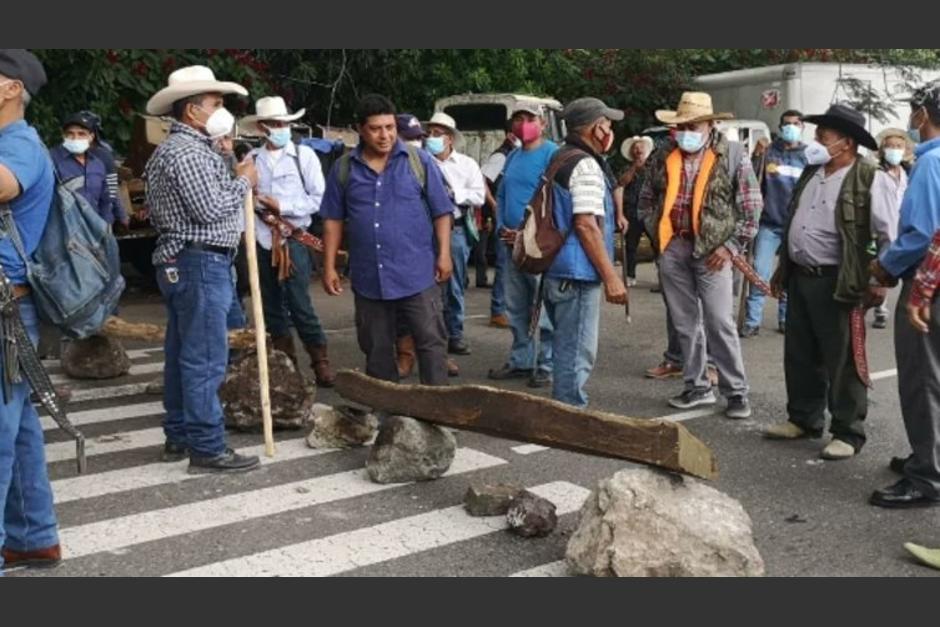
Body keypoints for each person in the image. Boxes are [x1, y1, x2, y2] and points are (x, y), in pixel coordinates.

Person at [144, 65, 260, 474]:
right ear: (193, 112)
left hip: (189, 260)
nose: (222, 110)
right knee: (205, 358)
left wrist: (229, 162)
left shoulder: (190, 149)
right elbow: (209, 208)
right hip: (199, 260)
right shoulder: (188, 152)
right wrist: (244, 180)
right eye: (216, 104)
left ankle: (179, 434)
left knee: (182, 354)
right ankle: (207, 446)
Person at [765, 103, 890, 461]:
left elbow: (887, 232)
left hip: (839, 279)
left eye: (824, 134)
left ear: (846, 142)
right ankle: (803, 418)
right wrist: (782, 269)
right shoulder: (813, 171)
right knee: (800, 352)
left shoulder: (869, 176)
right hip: (802, 276)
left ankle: (848, 432)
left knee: (844, 358)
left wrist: (880, 278)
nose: (815, 139)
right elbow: (795, 221)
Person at [639, 92, 759, 418]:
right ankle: (697, 386)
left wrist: (729, 248)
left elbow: (751, 210)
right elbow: (646, 200)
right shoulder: (663, 155)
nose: (686, 132)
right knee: (685, 324)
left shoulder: (733, 155)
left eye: (693, 125)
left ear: (711, 124)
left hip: (713, 253)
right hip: (673, 249)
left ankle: (736, 392)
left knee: (719, 322)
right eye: (682, 126)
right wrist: (659, 237)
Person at [320, 94, 454, 385]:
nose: (385, 135)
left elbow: (442, 211)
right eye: (376, 128)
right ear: (360, 129)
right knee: (376, 350)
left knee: (431, 343)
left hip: (417, 273)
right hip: (369, 278)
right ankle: (386, 420)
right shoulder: (343, 169)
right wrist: (329, 266)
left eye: (390, 127)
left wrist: (444, 254)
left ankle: (438, 418)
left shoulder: (418, 162)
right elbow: (332, 220)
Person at [0, 49, 61, 571]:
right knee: (15, 432)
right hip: (10, 314)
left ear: (10, 88)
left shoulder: (17, 143)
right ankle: (33, 536)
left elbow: (4, 185)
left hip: (4, 313)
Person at [869, 81, 940, 507]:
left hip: (929, 286)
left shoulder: (931, 166)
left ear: (922, 115)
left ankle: (928, 475)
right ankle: (928, 456)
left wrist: (884, 266)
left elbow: (922, 235)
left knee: (922, 379)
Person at [536, 97, 627, 407]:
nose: (611, 131)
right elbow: (586, 225)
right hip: (575, 273)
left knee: (565, 346)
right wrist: (611, 277)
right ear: (595, 128)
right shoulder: (585, 165)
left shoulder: (561, 156)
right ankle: (569, 412)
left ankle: (564, 407)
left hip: (557, 269)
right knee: (577, 351)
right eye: (608, 124)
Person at [240, 96, 335, 387]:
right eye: (275, 124)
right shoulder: (250, 160)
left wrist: (282, 205)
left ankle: (320, 361)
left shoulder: (304, 157)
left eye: (284, 123)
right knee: (270, 307)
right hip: (261, 239)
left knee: (299, 304)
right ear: (262, 128)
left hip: (293, 239)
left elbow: (318, 199)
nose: (281, 129)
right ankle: (287, 366)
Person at [392, 113, 459, 379]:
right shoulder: (380, 166)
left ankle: (437, 358)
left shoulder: (425, 164)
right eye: (408, 138)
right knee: (400, 307)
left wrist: (443, 253)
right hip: (398, 249)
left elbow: (445, 207)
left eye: (418, 138)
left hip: (428, 246)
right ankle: (405, 354)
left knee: (433, 307)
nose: (415, 143)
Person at [740, 110, 806, 338]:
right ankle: (752, 321)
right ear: (780, 126)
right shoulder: (768, 152)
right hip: (769, 223)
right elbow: (749, 177)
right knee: (760, 272)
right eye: (787, 124)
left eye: (796, 124)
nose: (791, 128)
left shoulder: (807, 156)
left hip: (795, 225)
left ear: (802, 127)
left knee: (790, 275)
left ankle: (786, 318)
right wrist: (757, 156)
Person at [425, 112, 486, 357]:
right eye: (429, 133)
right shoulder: (421, 162)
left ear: (449, 139)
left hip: (456, 230)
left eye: (437, 134)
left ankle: (455, 334)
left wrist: (453, 194)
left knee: (454, 286)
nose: (431, 138)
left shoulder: (467, 165)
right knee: (425, 287)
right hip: (424, 231)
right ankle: (430, 335)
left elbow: (479, 197)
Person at [50, 111, 130, 229]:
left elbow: (108, 196)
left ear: (91, 136)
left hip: (95, 230)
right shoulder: (52, 159)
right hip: (63, 231)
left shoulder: (99, 161)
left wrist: (108, 225)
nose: (75, 138)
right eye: (70, 134)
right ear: (64, 136)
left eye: (81, 134)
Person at [868, 127, 912, 329]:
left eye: (898, 146)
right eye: (890, 146)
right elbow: (876, 206)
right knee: (882, 269)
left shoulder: (906, 174)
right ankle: (880, 308)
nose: (894, 150)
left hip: (903, 229)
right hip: (881, 230)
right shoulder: (877, 175)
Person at [478, 121, 520, 327]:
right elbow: (482, 180)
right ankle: (498, 310)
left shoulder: (518, 156)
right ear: (510, 135)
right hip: (503, 220)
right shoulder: (501, 156)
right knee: (504, 266)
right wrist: (495, 207)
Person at [614, 135, 653, 287]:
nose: (638, 150)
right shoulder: (627, 167)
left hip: (650, 211)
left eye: (641, 146)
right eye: (635, 148)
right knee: (630, 245)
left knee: (657, 244)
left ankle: (663, 276)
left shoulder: (653, 166)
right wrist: (633, 168)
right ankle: (630, 275)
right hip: (632, 211)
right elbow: (621, 183)